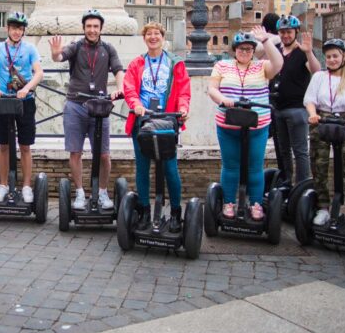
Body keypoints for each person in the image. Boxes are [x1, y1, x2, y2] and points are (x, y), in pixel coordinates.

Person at [49, 9, 124, 211]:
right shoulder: (76, 47)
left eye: (95, 27)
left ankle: (101, 192)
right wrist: (55, 53)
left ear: (101, 29)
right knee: (75, 152)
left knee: (104, 154)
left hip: (100, 106)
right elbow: (60, 57)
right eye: (89, 26)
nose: (92, 30)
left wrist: (120, 88)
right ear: (84, 28)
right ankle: (81, 192)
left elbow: (118, 70)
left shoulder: (108, 49)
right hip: (75, 105)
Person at [207, 26, 283, 220]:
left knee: (255, 167)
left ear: (253, 51)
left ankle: (256, 203)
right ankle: (229, 202)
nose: (245, 52)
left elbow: (278, 64)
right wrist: (223, 99)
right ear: (234, 49)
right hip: (228, 124)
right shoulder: (222, 66)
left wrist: (265, 41)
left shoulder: (262, 66)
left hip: (257, 125)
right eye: (241, 49)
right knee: (230, 166)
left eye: (249, 49)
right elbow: (212, 88)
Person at [123, 22, 191, 231]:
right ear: (144, 39)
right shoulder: (137, 63)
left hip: (167, 121)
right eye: (149, 34)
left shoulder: (174, 63)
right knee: (142, 167)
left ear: (163, 37)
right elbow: (129, 87)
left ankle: (175, 212)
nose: (153, 37)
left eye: (156, 34)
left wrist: (183, 108)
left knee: (170, 169)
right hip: (143, 121)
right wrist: (136, 105)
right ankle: (144, 210)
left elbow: (183, 90)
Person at [0, 12, 44, 203]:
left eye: (20, 28)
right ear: (7, 29)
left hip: (25, 101)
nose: (16, 32)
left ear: (23, 30)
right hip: (4, 101)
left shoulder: (30, 49)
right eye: (13, 28)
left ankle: (25, 186)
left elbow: (39, 73)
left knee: (25, 146)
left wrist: (26, 88)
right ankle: (2, 185)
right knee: (3, 145)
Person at [304, 39, 345, 231]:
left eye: (335, 56)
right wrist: (313, 114)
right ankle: (323, 208)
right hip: (321, 121)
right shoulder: (319, 77)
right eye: (328, 56)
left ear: (344, 57)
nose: (331, 60)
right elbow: (310, 99)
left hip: (344, 121)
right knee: (319, 165)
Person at [270, 15, 321, 184]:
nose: (285, 36)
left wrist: (308, 52)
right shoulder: (276, 50)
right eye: (282, 32)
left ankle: (302, 186)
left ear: (296, 32)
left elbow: (316, 71)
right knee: (283, 150)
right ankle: (286, 182)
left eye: (289, 32)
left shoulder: (303, 51)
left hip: (297, 108)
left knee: (300, 151)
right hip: (277, 107)